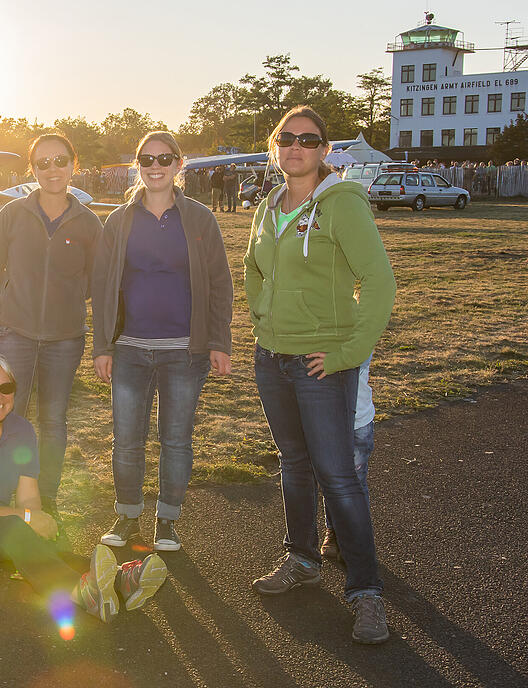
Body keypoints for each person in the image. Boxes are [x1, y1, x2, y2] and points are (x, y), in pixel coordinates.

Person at [243, 105, 396, 644]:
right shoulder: (269, 204)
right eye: (287, 138)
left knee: (339, 476)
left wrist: (348, 352)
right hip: (272, 358)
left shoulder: (342, 203)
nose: (296, 147)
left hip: (321, 362)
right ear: (275, 147)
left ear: (325, 150)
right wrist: (262, 311)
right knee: (294, 465)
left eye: (308, 140)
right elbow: (254, 266)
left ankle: (366, 592)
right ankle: (303, 559)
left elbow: (378, 282)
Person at [0, 349, 168, 623]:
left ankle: (120, 580)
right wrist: (25, 519)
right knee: (16, 529)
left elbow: (28, 499)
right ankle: (80, 592)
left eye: (6, 387)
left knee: (37, 539)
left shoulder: (21, 431)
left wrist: (34, 521)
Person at [91, 131, 234, 553]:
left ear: (178, 165)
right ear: (138, 165)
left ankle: (167, 521)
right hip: (130, 349)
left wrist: (219, 341)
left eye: (165, 158)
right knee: (127, 439)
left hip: (184, 353)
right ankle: (127, 514)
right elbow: (102, 289)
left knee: (176, 440)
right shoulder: (118, 221)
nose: (155, 166)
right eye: (147, 159)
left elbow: (220, 285)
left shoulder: (199, 218)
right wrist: (102, 346)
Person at [0, 133, 103, 518]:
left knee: (52, 420)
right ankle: (3, 497)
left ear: (74, 164)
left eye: (60, 161)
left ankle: (44, 497)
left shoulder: (88, 222)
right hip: (14, 333)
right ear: (32, 169)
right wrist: (9, 294)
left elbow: (95, 277)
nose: (52, 170)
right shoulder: (12, 214)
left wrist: (69, 301)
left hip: (65, 339)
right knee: (6, 414)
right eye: (43, 163)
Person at [322, 355, 375, 562]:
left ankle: (356, 540)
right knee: (330, 480)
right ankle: (334, 531)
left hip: (357, 422)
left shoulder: (358, 335)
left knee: (354, 482)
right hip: (327, 420)